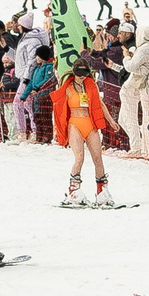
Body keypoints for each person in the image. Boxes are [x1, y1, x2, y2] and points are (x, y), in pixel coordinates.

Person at [53, 57, 112, 206]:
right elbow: (59, 109)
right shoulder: (68, 87)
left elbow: (100, 104)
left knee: (98, 158)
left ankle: (102, 191)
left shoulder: (91, 86)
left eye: (84, 74)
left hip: (90, 123)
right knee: (79, 157)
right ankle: (73, 191)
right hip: (75, 123)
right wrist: (58, 128)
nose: (82, 77)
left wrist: (111, 121)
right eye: (79, 74)